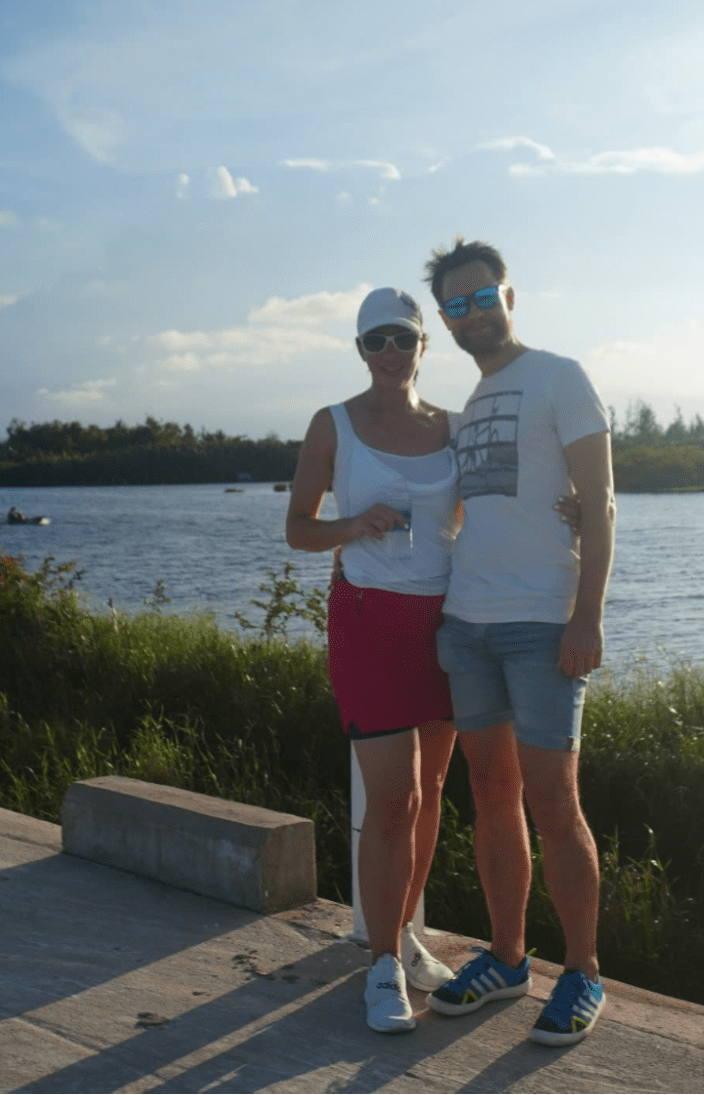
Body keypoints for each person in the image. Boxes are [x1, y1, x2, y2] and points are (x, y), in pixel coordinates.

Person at [422, 237, 616, 1047]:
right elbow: (467, 515)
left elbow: (599, 503)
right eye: (455, 306)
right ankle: (506, 961)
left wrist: (586, 616)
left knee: (553, 803)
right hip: (468, 625)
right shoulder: (467, 410)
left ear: (509, 295)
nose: (471, 314)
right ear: (445, 320)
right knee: (492, 797)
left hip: (543, 625)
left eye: (481, 297)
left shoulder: (560, 376)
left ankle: (582, 972)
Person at [283, 287, 462, 1035]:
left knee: (427, 799)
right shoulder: (334, 425)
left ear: (424, 346)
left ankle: (407, 937)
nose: (389, 353)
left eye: (402, 339)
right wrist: (352, 526)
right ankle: (381, 965)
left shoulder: (455, 428)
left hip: (446, 627)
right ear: (359, 350)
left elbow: (478, 519)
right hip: (367, 624)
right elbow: (297, 530)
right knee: (392, 802)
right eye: (374, 341)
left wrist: (570, 514)